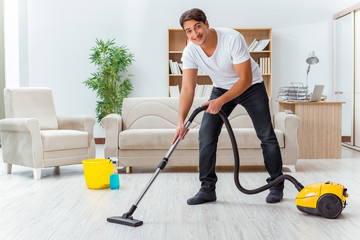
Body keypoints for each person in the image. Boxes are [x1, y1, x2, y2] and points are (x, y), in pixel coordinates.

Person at [172, 8, 284, 205]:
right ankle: (207, 189)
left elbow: (245, 79)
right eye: (188, 31)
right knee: (206, 134)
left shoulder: (232, 38)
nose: (194, 34)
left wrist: (220, 101)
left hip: (251, 87)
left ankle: (276, 185)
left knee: (266, 135)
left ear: (206, 23)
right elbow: (188, 88)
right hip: (221, 88)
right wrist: (181, 120)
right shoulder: (190, 50)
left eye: (197, 27)